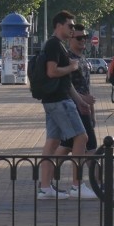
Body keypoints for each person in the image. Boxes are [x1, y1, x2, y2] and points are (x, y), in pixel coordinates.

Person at [36, 11, 96, 200]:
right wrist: (72, 66)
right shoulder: (54, 44)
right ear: (59, 25)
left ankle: (45, 188)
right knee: (81, 137)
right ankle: (77, 186)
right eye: (70, 26)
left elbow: (66, 82)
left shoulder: (57, 46)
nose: (72, 29)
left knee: (53, 142)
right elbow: (52, 72)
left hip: (54, 100)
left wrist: (80, 101)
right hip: (59, 101)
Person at [58, 23, 96, 154]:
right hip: (73, 108)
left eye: (85, 37)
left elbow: (86, 87)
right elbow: (65, 85)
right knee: (91, 146)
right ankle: (47, 169)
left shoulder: (83, 59)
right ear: (70, 39)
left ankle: (47, 170)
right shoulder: (67, 59)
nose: (83, 40)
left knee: (68, 145)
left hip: (84, 108)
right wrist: (83, 99)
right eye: (79, 38)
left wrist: (92, 112)